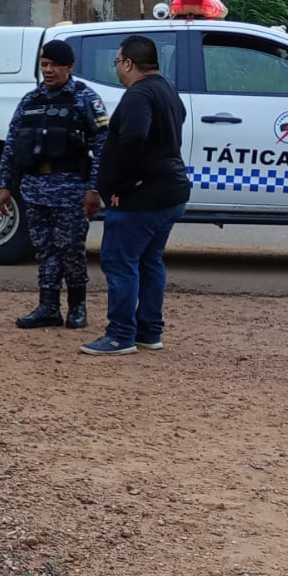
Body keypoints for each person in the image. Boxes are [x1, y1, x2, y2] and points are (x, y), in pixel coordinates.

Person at [80, 35, 192, 356]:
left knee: (120, 262)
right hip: (171, 190)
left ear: (128, 63)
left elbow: (134, 137)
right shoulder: (167, 89)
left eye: (117, 62)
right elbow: (178, 119)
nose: (117, 68)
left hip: (143, 198)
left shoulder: (138, 95)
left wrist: (123, 184)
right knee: (149, 260)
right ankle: (149, 331)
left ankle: (120, 335)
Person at [0, 40, 109, 330]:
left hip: (71, 189)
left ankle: (77, 307)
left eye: (54, 65)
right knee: (44, 250)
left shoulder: (85, 99)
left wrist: (94, 189)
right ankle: (48, 307)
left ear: (69, 67)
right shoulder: (30, 100)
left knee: (70, 249)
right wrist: (5, 186)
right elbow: (12, 145)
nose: (48, 71)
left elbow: (102, 145)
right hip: (35, 188)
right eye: (44, 65)